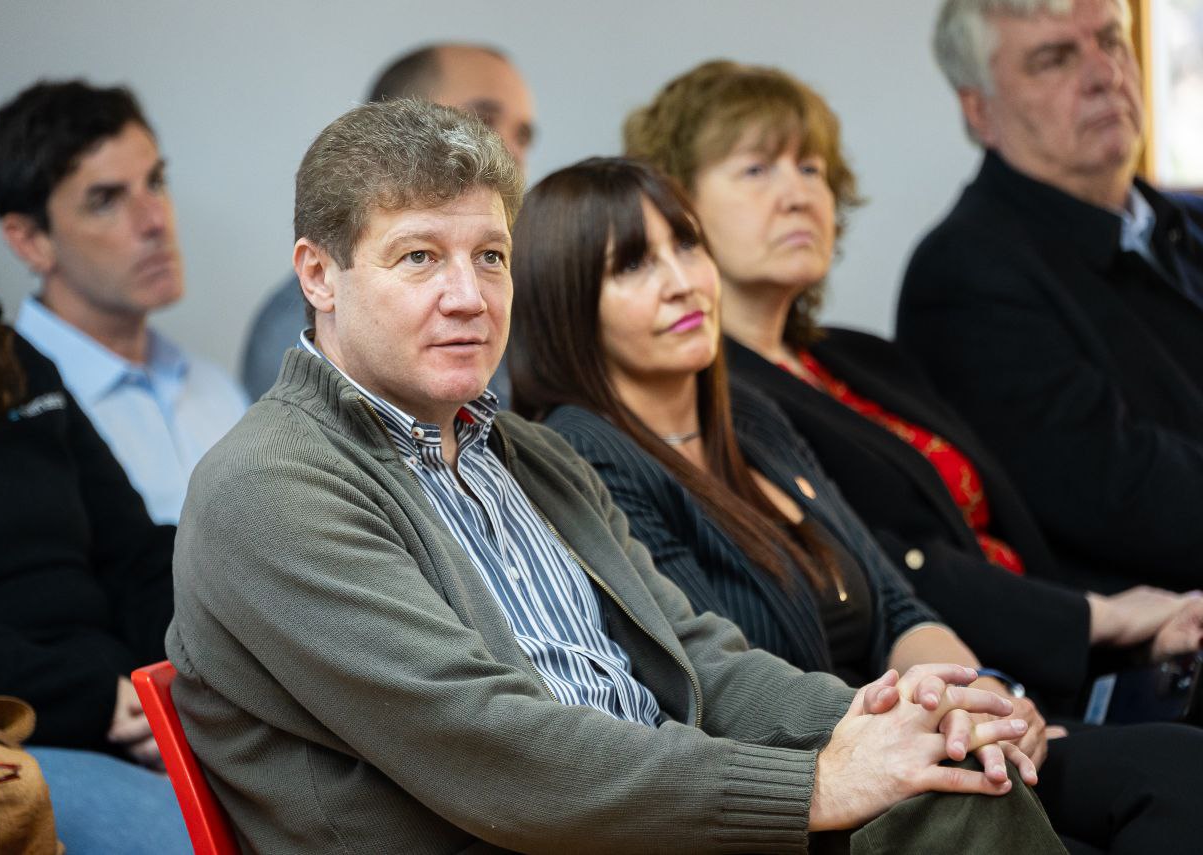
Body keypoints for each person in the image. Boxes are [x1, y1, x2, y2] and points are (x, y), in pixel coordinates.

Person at [168, 99, 1062, 854]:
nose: (469, 296)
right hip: (538, 833)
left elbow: (698, 657)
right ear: (319, 275)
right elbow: (495, 751)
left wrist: (893, 718)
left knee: (964, 779)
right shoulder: (270, 487)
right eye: (418, 257)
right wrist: (815, 785)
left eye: (490, 256)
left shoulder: (531, 454)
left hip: (643, 820)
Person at [508, 154, 1203, 854]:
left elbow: (896, 605)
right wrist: (941, 719)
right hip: (826, 781)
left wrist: (984, 695)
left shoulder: (750, 416)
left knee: (1180, 766)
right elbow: (715, 674)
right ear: (567, 303)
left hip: (928, 737)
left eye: (686, 245)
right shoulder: (583, 452)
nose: (681, 281)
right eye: (632, 266)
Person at [622, 58, 1203, 713]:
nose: (798, 194)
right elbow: (876, 566)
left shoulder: (862, 356)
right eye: (757, 169)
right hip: (939, 691)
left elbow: (1003, 530)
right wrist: (1098, 619)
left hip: (1053, 660)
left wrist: (1133, 628)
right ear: (675, 210)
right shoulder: (704, 394)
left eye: (811, 169)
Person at [0, 112, 190, 852]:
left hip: (129, 698)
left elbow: (133, 548)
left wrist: (176, 680)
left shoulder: (7, 355)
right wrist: (95, 698)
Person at [898, 0, 1203, 594]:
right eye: (1055, 58)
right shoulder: (963, 274)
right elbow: (1122, 494)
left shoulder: (1187, 222)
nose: (1105, 74)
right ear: (980, 110)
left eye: (1111, 40)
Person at [0, 79, 249, 525]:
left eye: (155, 182)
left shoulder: (214, 389)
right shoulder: (4, 409)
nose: (155, 221)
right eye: (105, 200)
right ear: (30, 241)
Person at [240, 43, 536, 401]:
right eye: (482, 121)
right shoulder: (297, 328)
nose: (509, 151)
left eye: (490, 256)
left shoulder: (508, 296)